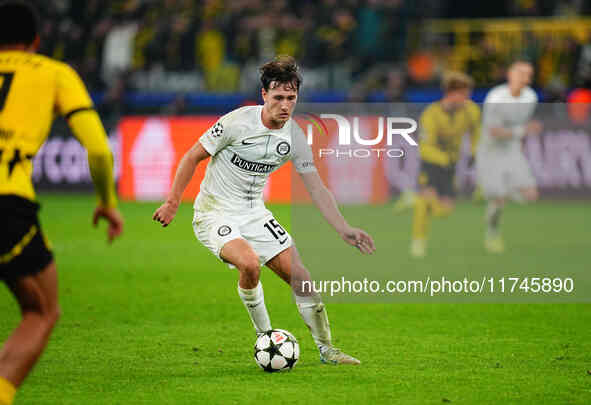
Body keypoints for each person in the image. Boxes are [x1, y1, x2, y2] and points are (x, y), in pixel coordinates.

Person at [153, 55, 375, 365]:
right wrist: (173, 202)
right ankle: (266, 338)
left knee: (303, 279)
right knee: (249, 264)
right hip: (214, 212)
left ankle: (328, 350)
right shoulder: (237, 122)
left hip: (254, 213)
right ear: (264, 95)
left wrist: (343, 227)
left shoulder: (295, 137)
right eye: (278, 97)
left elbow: (316, 188)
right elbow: (192, 157)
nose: (285, 105)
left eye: (291, 98)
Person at [0, 3, 123, 404]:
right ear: (36, 40)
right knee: (41, 312)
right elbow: (100, 152)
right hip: (7, 204)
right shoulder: (54, 73)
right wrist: (107, 201)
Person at [411, 72, 480, 258]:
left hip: (451, 165)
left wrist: (474, 151)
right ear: (451, 93)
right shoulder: (431, 114)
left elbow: (476, 132)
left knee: (444, 211)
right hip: (432, 164)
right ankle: (418, 242)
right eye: (464, 94)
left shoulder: (471, 111)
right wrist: (443, 159)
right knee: (425, 203)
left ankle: (411, 199)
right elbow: (425, 148)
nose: (467, 99)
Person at [476, 60, 541, 253]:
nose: (526, 78)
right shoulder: (496, 97)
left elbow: (520, 127)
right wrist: (523, 131)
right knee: (498, 200)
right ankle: (492, 233)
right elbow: (494, 131)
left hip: (511, 149)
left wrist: (520, 142)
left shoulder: (530, 97)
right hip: (491, 151)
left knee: (531, 195)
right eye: (521, 73)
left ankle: (496, 192)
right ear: (510, 74)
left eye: (529, 74)